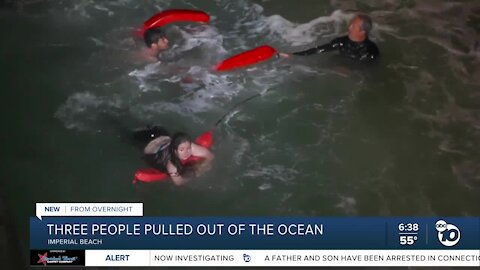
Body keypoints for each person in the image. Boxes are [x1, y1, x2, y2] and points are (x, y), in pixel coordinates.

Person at [279, 14, 379, 63]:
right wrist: (294, 55)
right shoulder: (341, 42)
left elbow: (368, 70)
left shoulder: (371, 51)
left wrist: (350, 71)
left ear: (362, 32)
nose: (349, 27)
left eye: (353, 26)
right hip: (341, 65)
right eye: (351, 24)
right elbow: (319, 49)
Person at [143, 130, 214, 186]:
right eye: (181, 150)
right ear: (175, 151)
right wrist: (195, 173)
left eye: (188, 148)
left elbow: (210, 155)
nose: (186, 153)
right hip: (148, 147)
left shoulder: (189, 146)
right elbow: (179, 182)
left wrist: (202, 165)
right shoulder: (171, 164)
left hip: (163, 135)